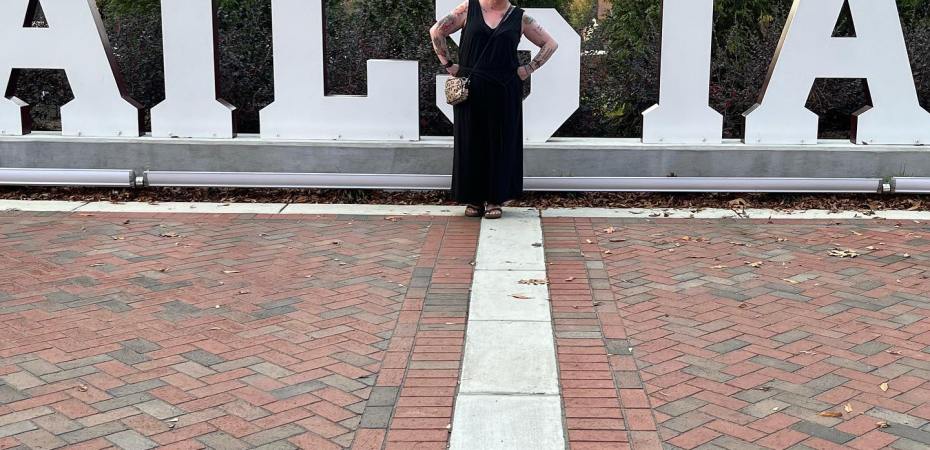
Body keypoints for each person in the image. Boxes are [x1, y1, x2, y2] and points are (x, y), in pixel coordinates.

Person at [430, 0, 559, 219]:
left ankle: (495, 199)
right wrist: (448, 65)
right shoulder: (467, 9)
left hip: (505, 88)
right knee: (470, 139)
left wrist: (528, 69)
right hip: (471, 88)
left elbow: (550, 44)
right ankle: (473, 198)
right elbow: (436, 31)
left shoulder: (520, 17)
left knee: (501, 141)